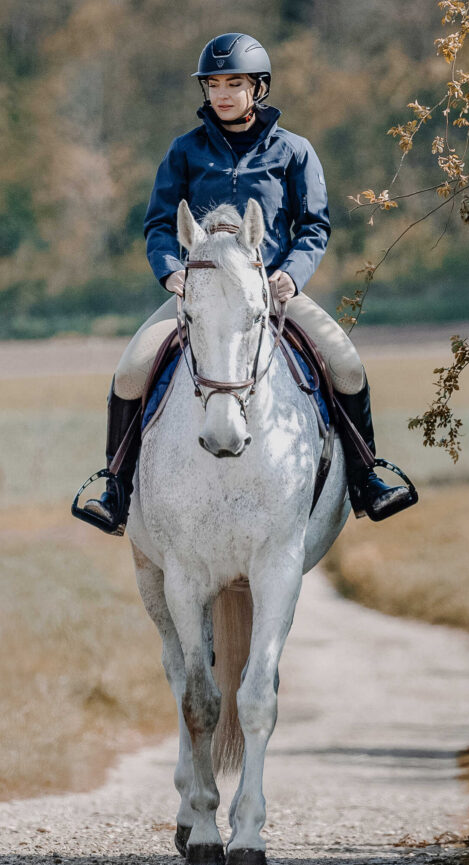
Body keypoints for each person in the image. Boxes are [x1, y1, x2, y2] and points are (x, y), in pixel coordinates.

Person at [72, 32, 408, 534]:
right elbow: (160, 224)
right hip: (200, 296)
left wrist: (290, 276)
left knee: (347, 365)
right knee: (129, 372)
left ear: (259, 88)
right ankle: (115, 490)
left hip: (271, 293)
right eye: (213, 84)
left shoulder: (294, 151)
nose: (223, 93)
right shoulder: (184, 151)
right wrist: (171, 271)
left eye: (235, 83)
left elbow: (314, 226)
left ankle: (367, 480)